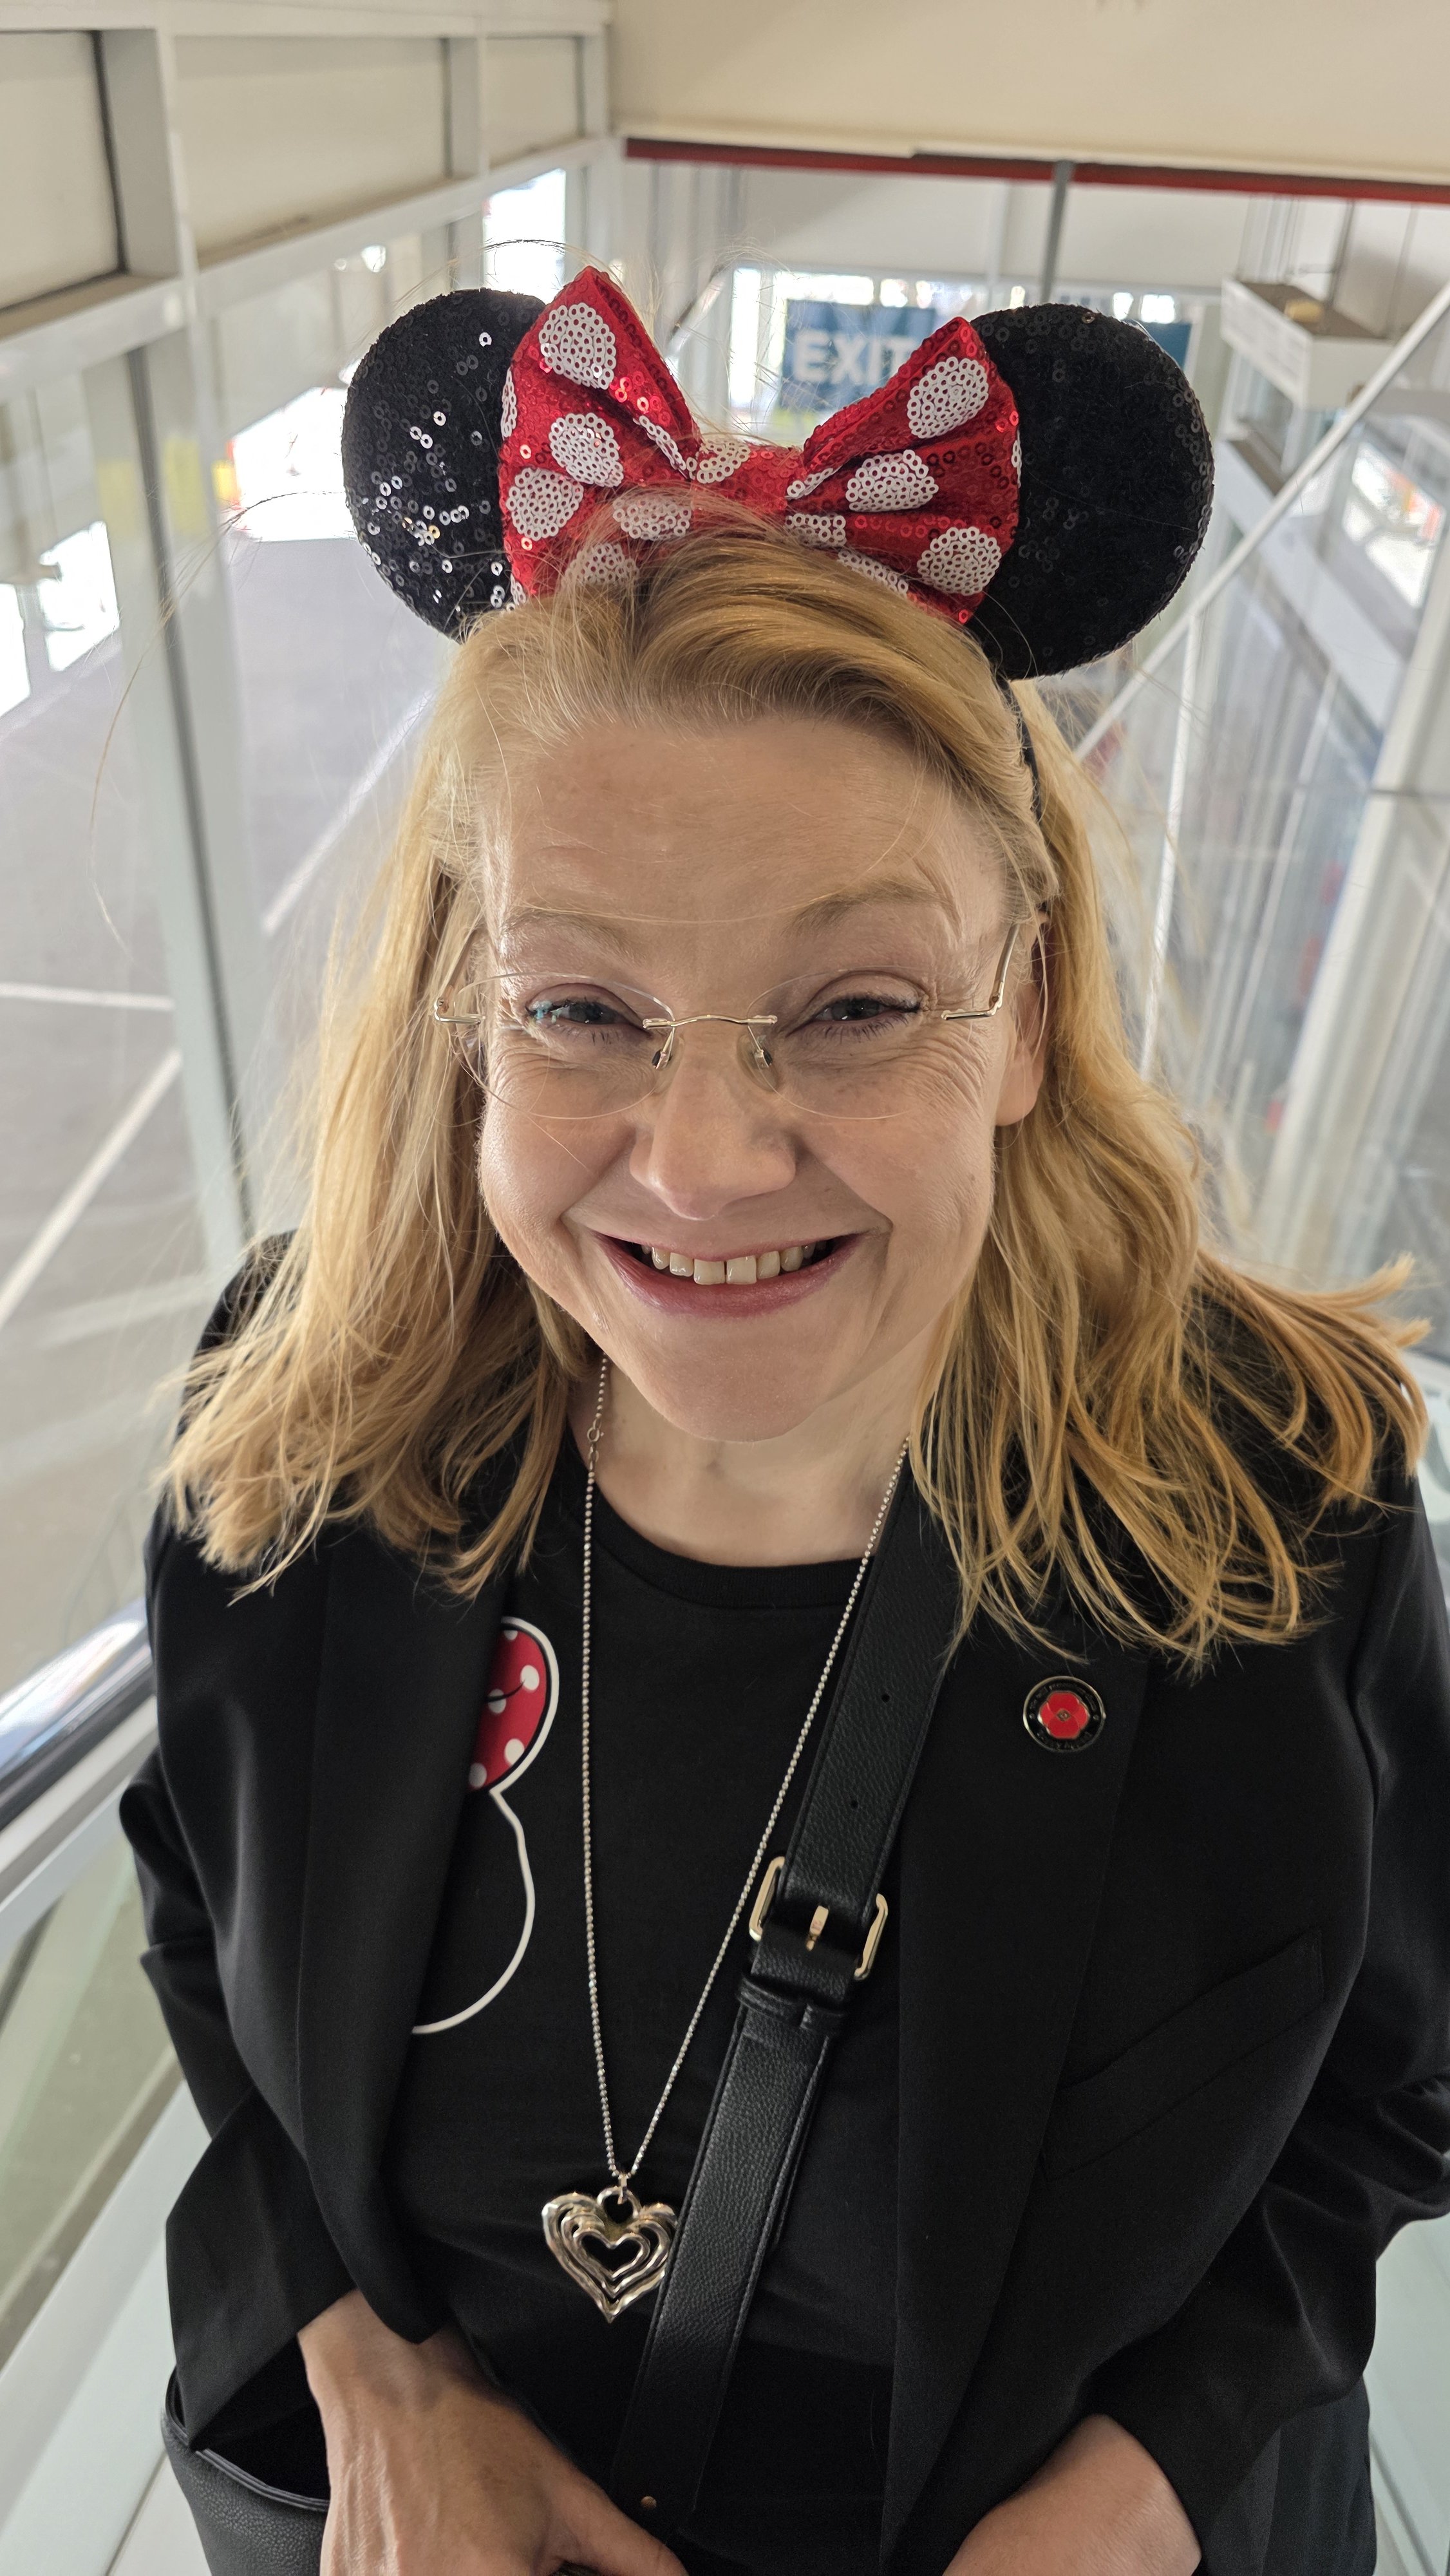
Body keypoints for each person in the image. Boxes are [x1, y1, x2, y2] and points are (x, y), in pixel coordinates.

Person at [123, 270, 1450, 2576]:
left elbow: (1394, 2081)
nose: (709, 1162)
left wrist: (1139, 2495)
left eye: (850, 1007)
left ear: (1024, 1010)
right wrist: (362, 2353)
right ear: (463, 1017)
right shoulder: (306, 1427)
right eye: (583, 1011)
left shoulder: (1272, 1496)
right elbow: (194, 1890)